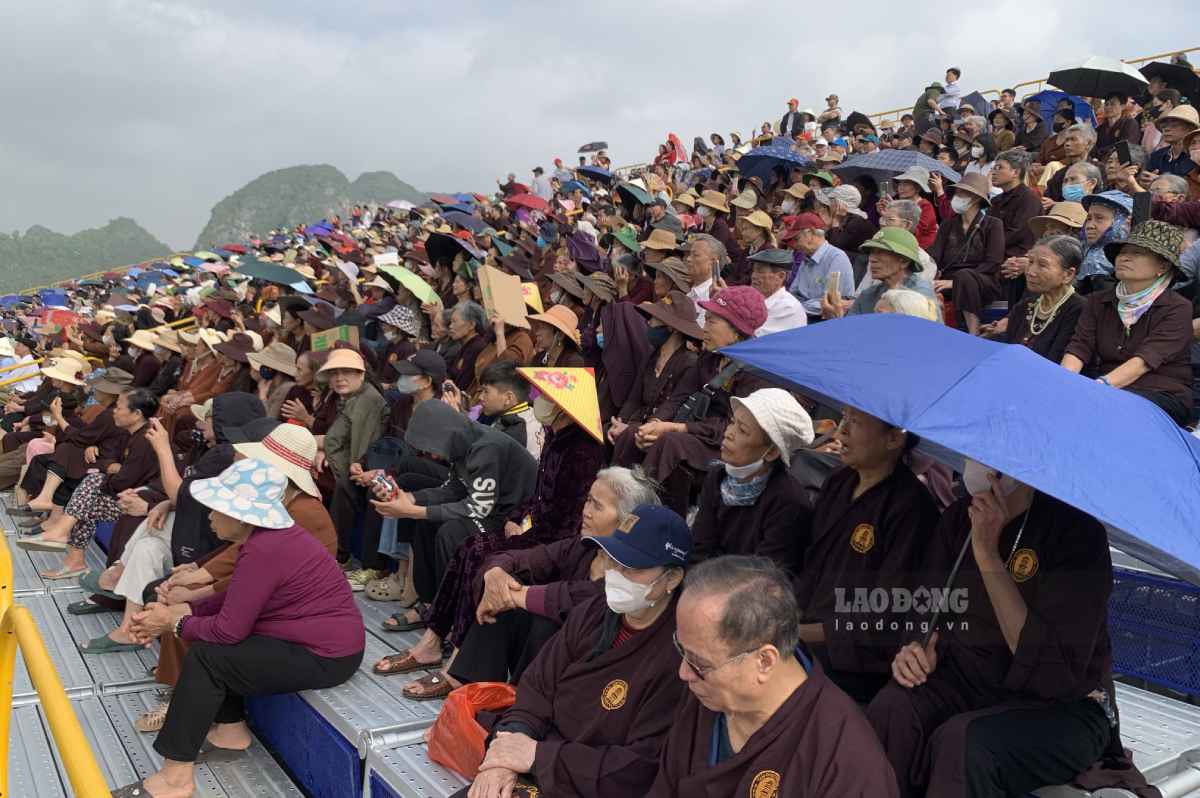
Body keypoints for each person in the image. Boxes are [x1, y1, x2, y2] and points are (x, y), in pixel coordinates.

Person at [111, 459, 363, 798]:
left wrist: (173, 621)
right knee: (208, 648)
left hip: (325, 655)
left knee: (207, 657)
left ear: (242, 515)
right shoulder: (267, 540)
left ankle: (176, 780)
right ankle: (230, 733)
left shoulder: (265, 548)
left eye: (217, 509)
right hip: (309, 640)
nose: (211, 517)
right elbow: (238, 598)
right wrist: (180, 611)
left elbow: (228, 631)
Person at [866, 464, 1114, 798]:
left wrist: (987, 552)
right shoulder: (958, 519)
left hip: (1060, 705)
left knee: (963, 743)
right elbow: (927, 607)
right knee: (892, 709)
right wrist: (917, 647)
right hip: (970, 681)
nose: (976, 464)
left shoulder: (1077, 535)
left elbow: (1051, 667)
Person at [459, 505, 692, 798]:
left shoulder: (681, 653)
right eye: (614, 561)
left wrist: (538, 757)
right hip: (535, 762)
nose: (617, 575)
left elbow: (642, 766)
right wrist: (505, 754)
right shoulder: (592, 613)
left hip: (584, 783)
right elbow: (536, 689)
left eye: (632, 568)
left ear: (671, 579)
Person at [649, 556, 900, 797]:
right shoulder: (706, 697)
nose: (684, 672)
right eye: (682, 650)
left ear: (764, 661)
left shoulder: (844, 757)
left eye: (699, 662)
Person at [450, 467, 661, 687]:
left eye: (597, 506)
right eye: (588, 501)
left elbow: (581, 598)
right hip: (551, 658)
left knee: (545, 621)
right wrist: (495, 575)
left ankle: (519, 705)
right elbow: (524, 559)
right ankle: (473, 690)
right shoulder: (583, 548)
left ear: (626, 521)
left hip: (593, 671)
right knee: (502, 598)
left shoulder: (635, 569)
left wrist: (518, 595)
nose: (586, 511)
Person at [371, 399, 538, 622]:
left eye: (431, 448)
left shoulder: (486, 447)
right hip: (490, 507)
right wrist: (410, 498)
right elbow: (454, 488)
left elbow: (478, 506)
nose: (431, 455)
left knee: (451, 533)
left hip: (512, 516)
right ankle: (430, 604)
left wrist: (414, 511)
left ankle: (450, 616)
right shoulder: (462, 441)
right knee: (425, 525)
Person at [18, 388, 162, 579]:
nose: (114, 412)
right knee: (87, 492)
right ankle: (70, 550)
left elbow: (124, 479)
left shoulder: (144, 440)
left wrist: (106, 470)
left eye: (119, 408)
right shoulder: (130, 433)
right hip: (123, 492)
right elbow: (110, 460)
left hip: (139, 501)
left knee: (91, 485)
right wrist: (105, 462)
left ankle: (64, 536)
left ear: (136, 414)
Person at [1063, 221, 1193, 426]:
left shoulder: (1177, 308)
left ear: (1163, 266)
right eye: (1123, 251)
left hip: (1160, 393)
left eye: (1138, 253)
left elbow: (1144, 361)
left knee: (1109, 413)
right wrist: (1063, 384)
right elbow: (1080, 347)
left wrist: (1098, 389)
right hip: (1105, 390)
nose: (1124, 257)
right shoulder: (1098, 300)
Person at [690, 388, 813, 574]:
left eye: (743, 430)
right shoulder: (717, 476)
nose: (728, 433)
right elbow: (700, 546)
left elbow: (765, 573)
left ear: (771, 452)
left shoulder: (790, 502)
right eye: (732, 422)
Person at [316, 347, 387, 570]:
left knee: (342, 484)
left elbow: (358, 455)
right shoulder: (349, 398)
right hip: (349, 462)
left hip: (367, 469)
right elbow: (336, 438)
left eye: (347, 372)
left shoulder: (367, 401)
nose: (339, 378)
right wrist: (321, 450)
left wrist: (322, 450)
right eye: (334, 373)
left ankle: (338, 554)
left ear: (361, 374)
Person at [610, 291, 703, 456]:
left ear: (671, 328)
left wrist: (632, 430)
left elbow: (671, 408)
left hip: (656, 437)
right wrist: (619, 422)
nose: (649, 323)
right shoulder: (652, 355)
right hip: (634, 425)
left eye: (654, 319)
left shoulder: (689, 363)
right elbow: (634, 398)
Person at [929, 173, 1006, 335]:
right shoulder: (948, 225)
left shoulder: (993, 224)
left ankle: (973, 332)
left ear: (976, 199)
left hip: (983, 280)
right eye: (957, 193)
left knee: (964, 277)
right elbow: (934, 256)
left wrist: (954, 282)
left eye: (963, 194)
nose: (957, 197)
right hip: (948, 279)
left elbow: (993, 262)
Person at [1004, 235, 1086, 363]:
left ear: (1068, 274)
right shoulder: (1025, 305)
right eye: (1030, 262)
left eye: (1042, 265)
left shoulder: (1080, 311)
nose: (1030, 272)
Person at [826, 228, 937, 319]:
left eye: (881, 253)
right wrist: (837, 318)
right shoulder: (868, 295)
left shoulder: (920, 296)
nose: (872, 259)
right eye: (871, 253)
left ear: (904, 261)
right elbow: (853, 335)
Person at [782, 213, 855, 324]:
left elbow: (830, 302)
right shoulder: (806, 257)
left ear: (810, 233)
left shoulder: (836, 257)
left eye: (797, 239)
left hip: (824, 321)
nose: (795, 244)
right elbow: (794, 292)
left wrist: (797, 308)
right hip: (802, 316)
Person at [1076, 191, 1133, 292]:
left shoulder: (1134, 262)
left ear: (1121, 222)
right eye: (1088, 219)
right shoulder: (1079, 253)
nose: (1089, 226)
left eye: (1099, 218)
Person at [747, 249, 808, 335]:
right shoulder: (755, 298)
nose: (753, 276)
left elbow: (751, 337)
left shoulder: (788, 307)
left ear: (781, 276)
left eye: (760, 271)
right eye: (754, 271)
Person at [1145, 105, 1199, 178]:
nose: (1166, 129)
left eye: (1174, 125)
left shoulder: (1196, 157)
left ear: (1190, 129)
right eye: (1164, 126)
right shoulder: (1157, 156)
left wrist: (1160, 181)